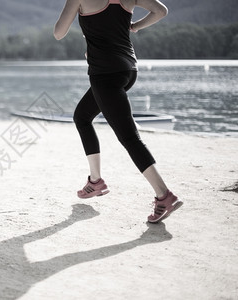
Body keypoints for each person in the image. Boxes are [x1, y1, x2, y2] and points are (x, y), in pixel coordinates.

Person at [54, 0, 183, 223]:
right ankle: (96, 182)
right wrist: (135, 26)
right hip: (128, 69)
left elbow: (59, 33)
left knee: (129, 137)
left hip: (105, 74)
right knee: (82, 117)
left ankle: (164, 195)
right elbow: (161, 11)